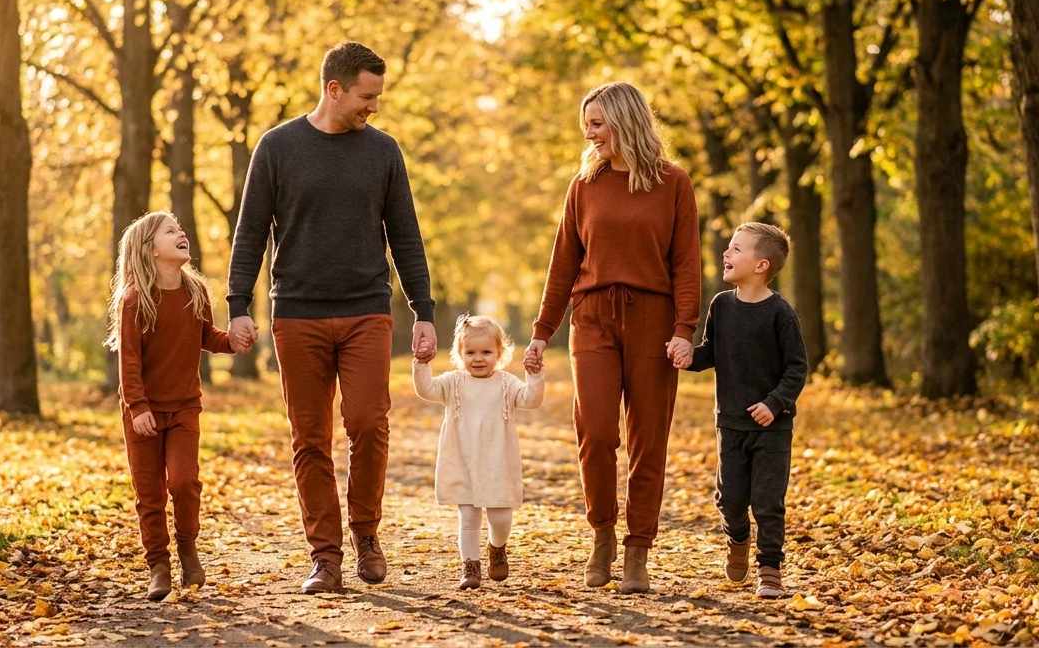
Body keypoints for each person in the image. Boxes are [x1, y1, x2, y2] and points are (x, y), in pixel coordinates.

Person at [225, 41, 437, 594]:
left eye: (379, 97)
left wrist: (423, 310)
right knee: (310, 438)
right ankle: (325, 556)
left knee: (368, 422)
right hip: (297, 314)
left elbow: (406, 236)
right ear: (334, 88)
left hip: (367, 309)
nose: (374, 107)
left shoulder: (384, 152)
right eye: (367, 96)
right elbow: (249, 232)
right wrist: (236, 304)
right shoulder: (277, 147)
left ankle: (366, 534)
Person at [525, 81, 701, 593]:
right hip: (594, 318)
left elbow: (687, 263)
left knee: (649, 439)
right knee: (597, 432)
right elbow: (563, 263)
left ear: (626, 122)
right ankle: (602, 533)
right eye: (588, 124)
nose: (590, 133)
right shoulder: (583, 185)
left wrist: (684, 330)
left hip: (653, 318)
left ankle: (638, 549)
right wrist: (541, 334)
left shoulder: (674, 183)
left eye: (598, 124)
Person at [668, 222, 808, 599]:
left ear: (761, 265)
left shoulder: (780, 313)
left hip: (771, 428)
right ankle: (738, 537)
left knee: (767, 501)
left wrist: (774, 404)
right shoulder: (721, 306)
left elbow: (797, 368)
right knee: (729, 498)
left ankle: (769, 569)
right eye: (728, 248)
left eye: (736, 249)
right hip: (729, 423)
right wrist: (687, 356)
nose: (726, 254)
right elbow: (710, 351)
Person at [106, 211, 240, 600]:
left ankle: (187, 547)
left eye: (182, 229)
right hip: (142, 412)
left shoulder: (195, 291)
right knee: (149, 494)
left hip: (184, 408)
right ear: (150, 250)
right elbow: (128, 362)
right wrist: (138, 407)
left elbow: (206, 336)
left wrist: (233, 341)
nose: (182, 234)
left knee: (184, 482)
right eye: (171, 231)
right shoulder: (135, 300)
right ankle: (158, 566)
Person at [413, 315, 545, 589]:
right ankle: (470, 567)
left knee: (500, 517)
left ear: (499, 353)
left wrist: (534, 375)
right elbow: (426, 389)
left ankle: (497, 546)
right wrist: (422, 364)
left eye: (486, 352)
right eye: (470, 352)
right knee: (469, 517)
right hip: (462, 460)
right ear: (459, 354)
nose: (478, 358)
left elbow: (531, 400)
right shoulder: (453, 383)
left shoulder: (507, 384)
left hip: (497, 462)